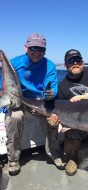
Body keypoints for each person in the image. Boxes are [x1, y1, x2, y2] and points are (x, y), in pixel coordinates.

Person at [5, 33, 65, 176]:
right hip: (19, 99)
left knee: (52, 119)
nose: (37, 52)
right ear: (26, 47)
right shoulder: (14, 63)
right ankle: (13, 159)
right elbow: (4, 82)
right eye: (33, 48)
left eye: (41, 49)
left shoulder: (49, 65)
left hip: (39, 101)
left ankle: (55, 154)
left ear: (45, 51)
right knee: (15, 118)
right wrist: (8, 99)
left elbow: (52, 85)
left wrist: (50, 93)